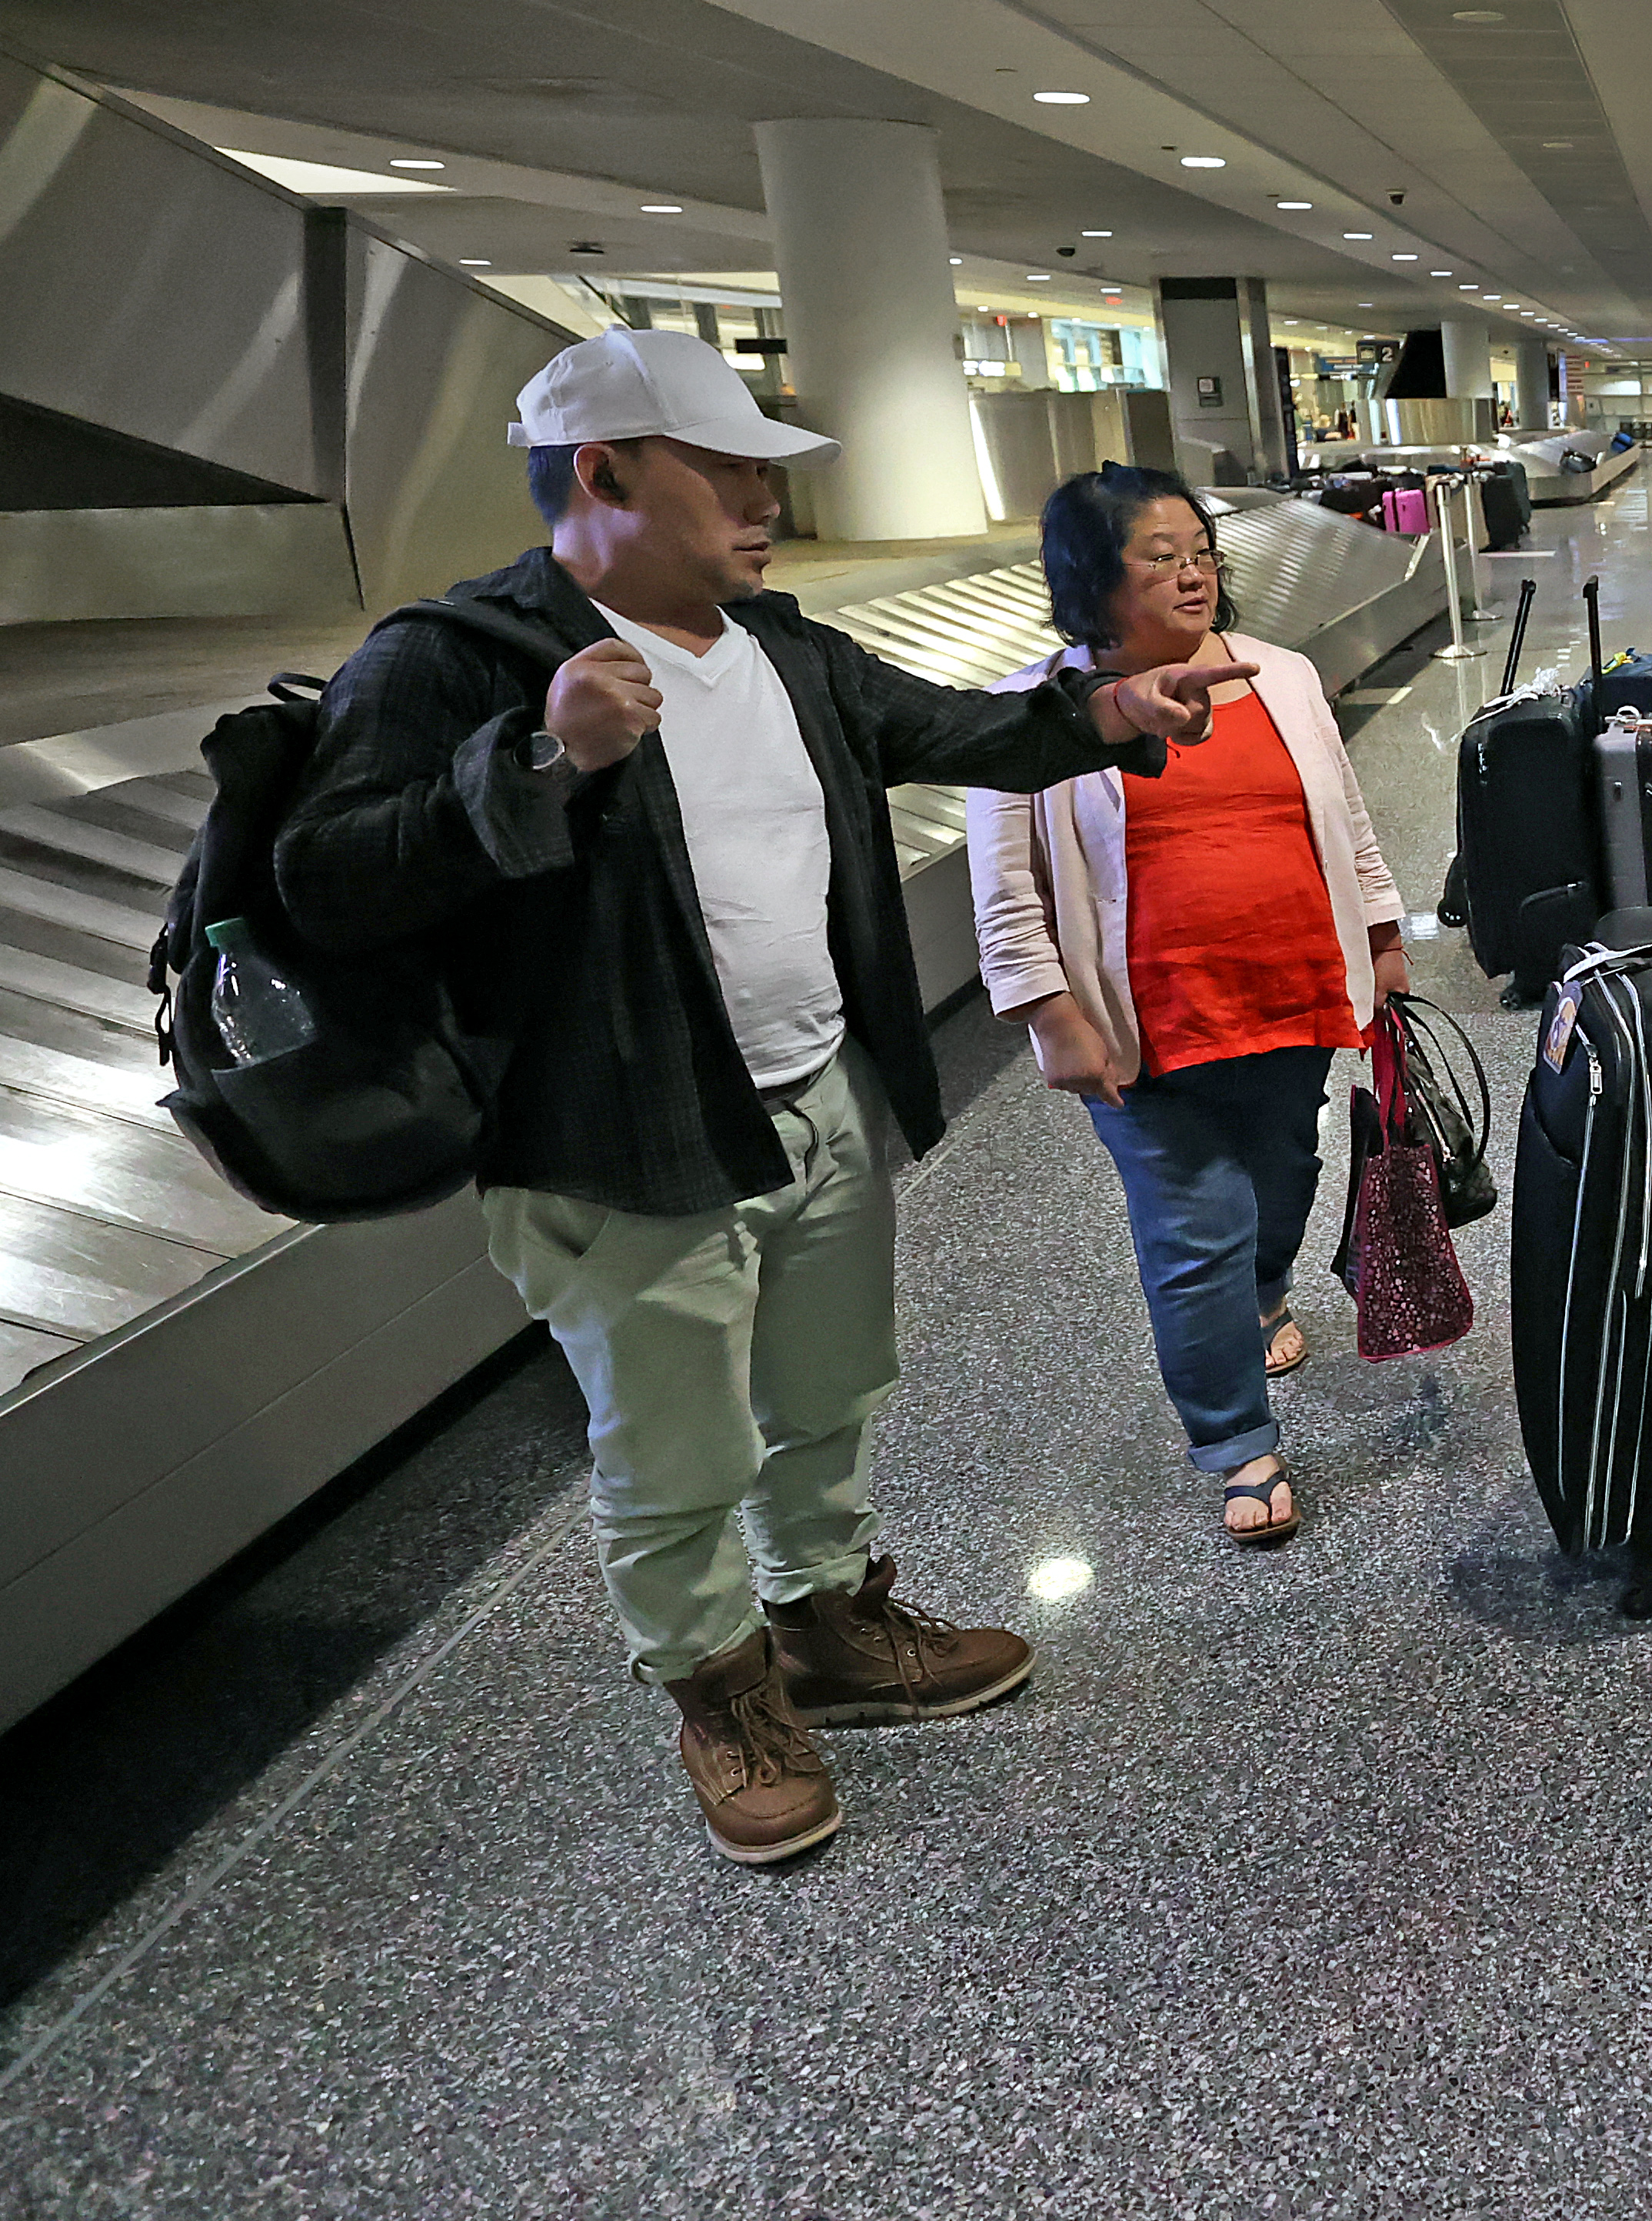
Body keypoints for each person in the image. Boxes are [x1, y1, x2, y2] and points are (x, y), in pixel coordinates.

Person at [273, 328, 1254, 1869]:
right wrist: (534, 762)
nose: (759, 500)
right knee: (673, 1455)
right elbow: (327, 882)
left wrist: (1111, 716)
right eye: (721, 468)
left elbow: (954, 730)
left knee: (831, 1386)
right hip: (616, 1138)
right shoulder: (453, 661)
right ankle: (720, 1694)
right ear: (601, 473)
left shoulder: (784, 648)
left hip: (814, 1098)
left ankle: (825, 1629)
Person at [971, 468, 1407, 1550]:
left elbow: (1342, 820)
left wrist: (1386, 937)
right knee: (1191, 1226)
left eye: (1200, 549)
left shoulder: (1283, 677)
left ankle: (1267, 1290)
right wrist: (1045, 1009)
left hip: (1297, 989)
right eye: (1158, 555)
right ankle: (1236, 1443)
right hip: (1147, 1025)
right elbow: (1008, 883)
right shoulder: (1031, 715)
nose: (1193, 571)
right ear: (1089, 579)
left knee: (1283, 1176)